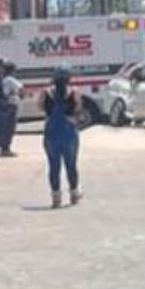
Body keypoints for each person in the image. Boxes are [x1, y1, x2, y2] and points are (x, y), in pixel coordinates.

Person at [41, 68, 84, 208]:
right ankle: (74, 193)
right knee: (71, 164)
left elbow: (40, 107)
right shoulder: (73, 92)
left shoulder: (46, 93)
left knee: (54, 166)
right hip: (69, 131)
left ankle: (56, 197)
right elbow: (78, 108)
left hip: (51, 132)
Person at [0, 61, 23, 157]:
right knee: (10, 128)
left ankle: (4, 147)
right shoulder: (11, 80)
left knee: (7, 128)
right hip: (11, 105)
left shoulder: (3, 80)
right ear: (12, 70)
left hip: (7, 105)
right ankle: (5, 149)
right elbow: (21, 89)